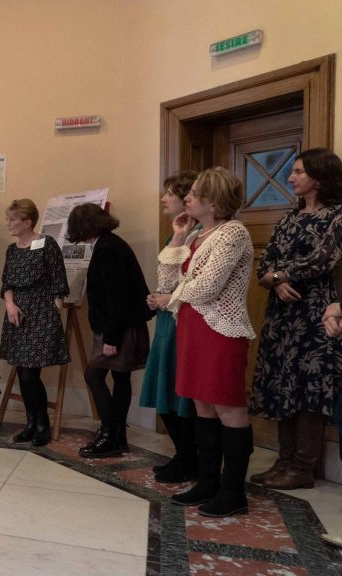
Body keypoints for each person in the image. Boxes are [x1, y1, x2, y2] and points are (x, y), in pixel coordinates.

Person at [153, 167, 254, 518]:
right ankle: (208, 482)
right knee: (202, 406)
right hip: (192, 327)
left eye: (195, 193)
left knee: (228, 406)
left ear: (214, 201)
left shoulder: (233, 232)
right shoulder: (196, 233)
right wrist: (178, 237)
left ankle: (234, 492)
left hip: (221, 330)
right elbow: (165, 279)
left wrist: (171, 298)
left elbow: (208, 287)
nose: (188, 197)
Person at [248, 148, 342, 490]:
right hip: (282, 315)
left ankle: (302, 467)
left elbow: (321, 261)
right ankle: (284, 461)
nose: (290, 178)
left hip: (316, 313)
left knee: (308, 389)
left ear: (320, 177)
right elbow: (263, 266)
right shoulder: (289, 217)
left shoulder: (337, 216)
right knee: (282, 386)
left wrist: (279, 276)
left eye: (299, 171)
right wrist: (275, 281)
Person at [66, 203, 152, 458]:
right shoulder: (110, 244)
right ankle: (117, 436)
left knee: (93, 376)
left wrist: (111, 338)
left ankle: (109, 435)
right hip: (124, 324)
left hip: (118, 328)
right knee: (120, 378)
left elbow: (117, 298)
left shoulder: (108, 248)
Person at [142, 170, 200, 483]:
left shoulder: (202, 237)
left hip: (184, 320)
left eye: (170, 194)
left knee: (181, 395)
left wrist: (168, 297)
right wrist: (159, 297)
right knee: (164, 390)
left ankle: (189, 457)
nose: (164, 199)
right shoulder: (175, 236)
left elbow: (196, 284)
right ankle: (183, 454)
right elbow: (167, 281)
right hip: (168, 320)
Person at [0, 199, 69, 447]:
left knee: (30, 374)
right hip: (16, 314)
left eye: (12, 219)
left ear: (27, 222)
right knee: (21, 371)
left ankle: (42, 424)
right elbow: (6, 284)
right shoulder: (12, 249)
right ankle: (30, 423)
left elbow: (59, 283)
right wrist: (9, 305)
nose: (8, 224)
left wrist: (53, 314)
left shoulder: (47, 244)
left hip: (41, 314)